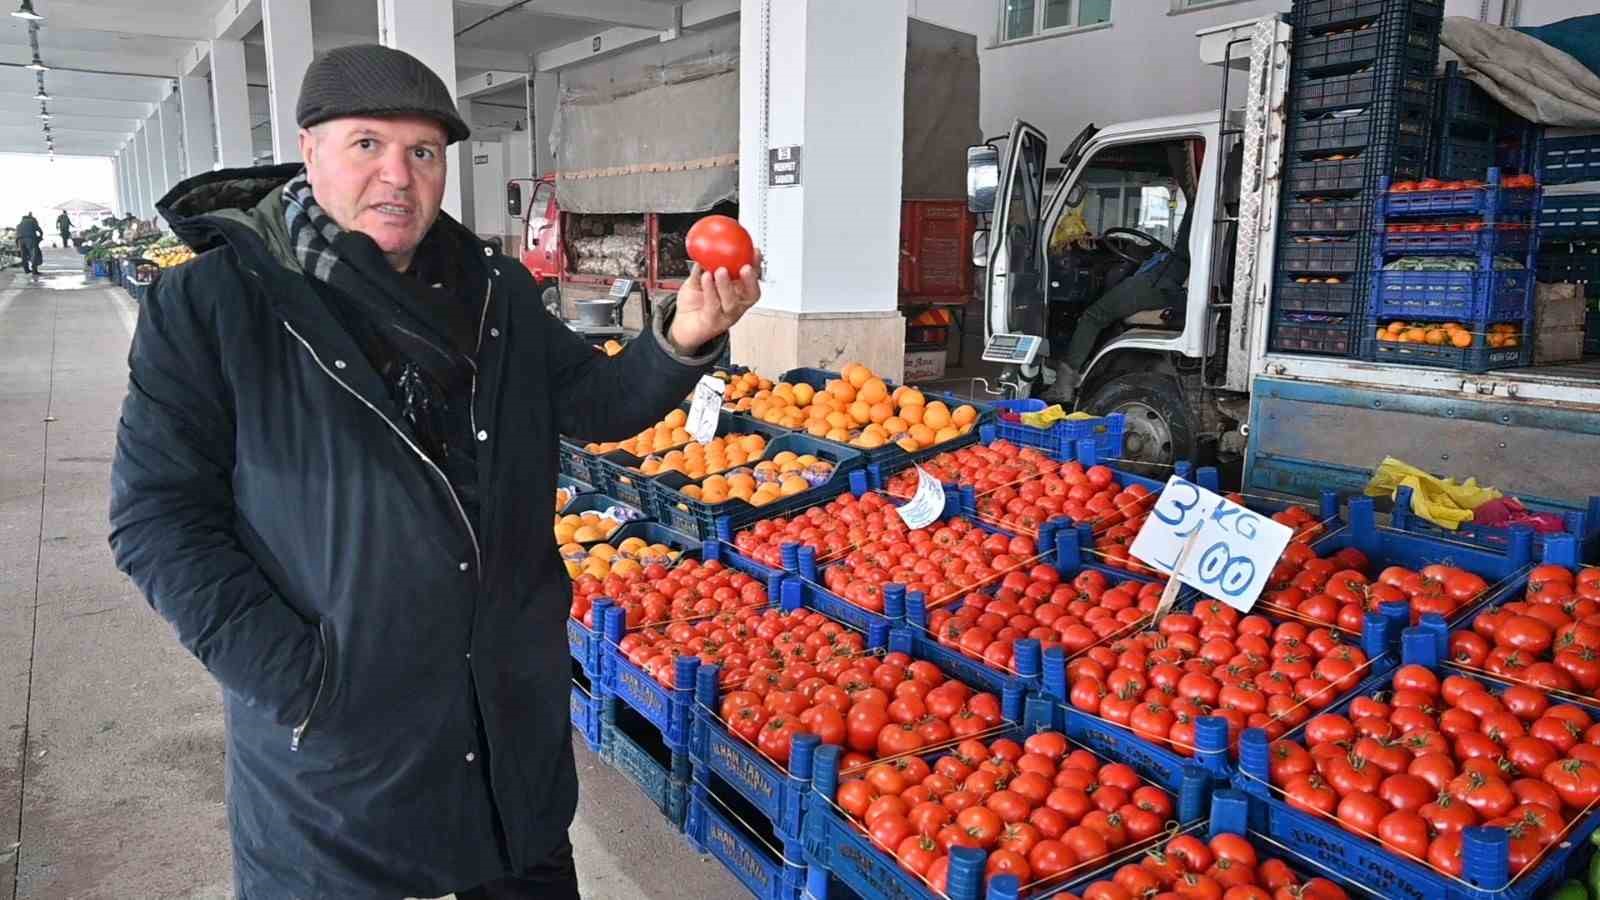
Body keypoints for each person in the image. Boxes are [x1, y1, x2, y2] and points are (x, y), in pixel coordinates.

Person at [108, 45, 761, 900]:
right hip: (341, 764)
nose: (398, 176)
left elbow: (595, 403)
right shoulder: (212, 307)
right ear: (309, 151)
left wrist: (681, 339)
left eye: (423, 152)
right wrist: (298, 681)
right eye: (367, 144)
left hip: (506, 738)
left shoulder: (495, 291)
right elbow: (157, 520)